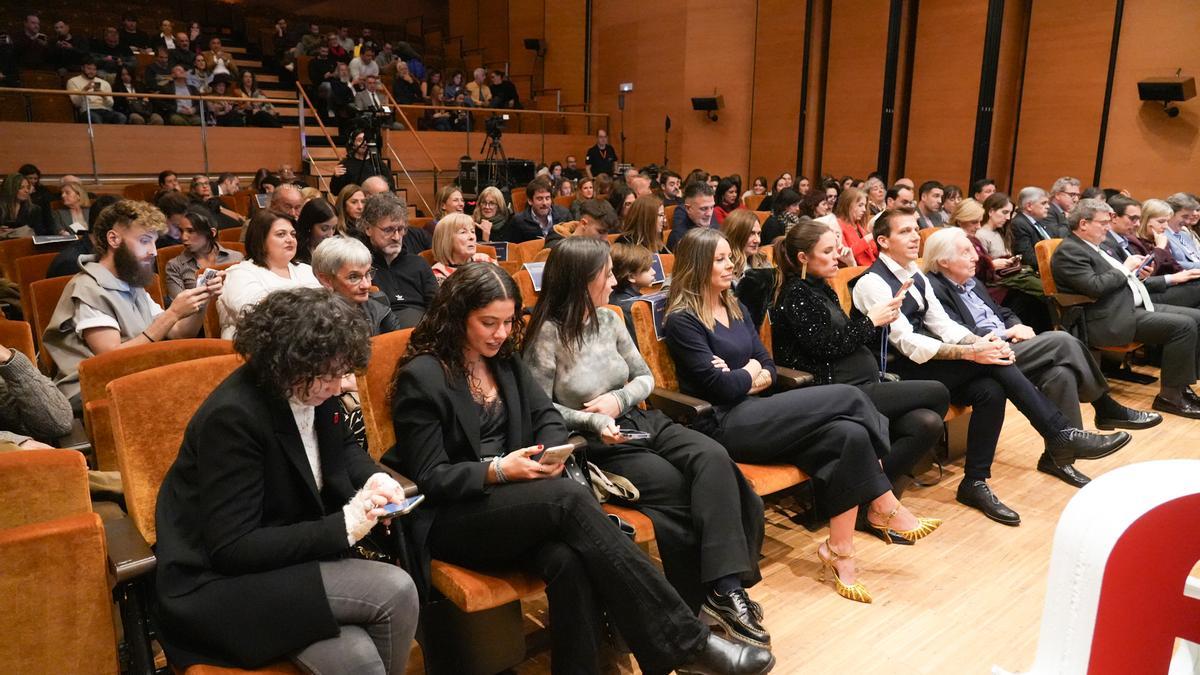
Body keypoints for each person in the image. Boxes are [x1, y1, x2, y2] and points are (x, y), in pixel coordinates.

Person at [383, 263, 774, 674]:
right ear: (457, 316)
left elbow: (546, 416)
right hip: (457, 513)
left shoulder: (505, 360)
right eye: (488, 323)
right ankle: (689, 645)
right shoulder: (423, 376)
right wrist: (500, 470)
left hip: (521, 500)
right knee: (571, 500)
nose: (500, 333)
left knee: (568, 558)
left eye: (507, 322)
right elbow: (430, 476)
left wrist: (552, 452)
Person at [662, 227, 941, 603]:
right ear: (697, 266)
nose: (732, 265)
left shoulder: (734, 306)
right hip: (725, 424)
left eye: (730, 256)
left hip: (758, 410)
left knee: (849, 435)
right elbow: (721, 390)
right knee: (849, 397)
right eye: (721, 259)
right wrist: (748, 375)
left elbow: (768, 366)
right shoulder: (683, 320)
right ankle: (884, 502)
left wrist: (744, 374)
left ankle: (840, 552)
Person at [154, 287, 418, 672]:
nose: (339, 385)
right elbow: (232, 547)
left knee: (357, 658)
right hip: (220, 582)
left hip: (287, 557)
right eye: (330, 375)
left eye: (342, 373)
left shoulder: (312, 390)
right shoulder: (233, 418)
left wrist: (376, 480)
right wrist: (344, 526)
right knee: (395, 590)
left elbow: (344, 448)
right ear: (288, 363)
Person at [522, 237, 769, 642]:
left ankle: (724, 590)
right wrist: (591, 419)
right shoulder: (549, 335)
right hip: (602, 442)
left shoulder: (611, 318)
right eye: (605, 273)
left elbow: (645, 378)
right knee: (679, 489)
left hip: (642, 418)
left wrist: (618, 400)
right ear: (582, 280)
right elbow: (542, 408)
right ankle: (707, 598)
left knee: (713, 458)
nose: (612, 280)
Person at [852, 207, 1130, 523]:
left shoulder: (914, 275)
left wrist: (978, 343)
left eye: (916, 229)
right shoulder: (871, 282)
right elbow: (906, 343)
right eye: (905, 231)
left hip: (927, 362)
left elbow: (944, 326)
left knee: (991, 387)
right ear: (883, 241)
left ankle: (975, 480)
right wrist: (972, 353)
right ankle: (1059, 433)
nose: (915, 235)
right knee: (994, 364)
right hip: (897, 372)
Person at [922, 227, 1159, 486]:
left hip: (1007, 346)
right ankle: (1104, 407)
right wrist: (1006, 333)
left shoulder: (971, 282)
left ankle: (1059, 457)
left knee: (1060, 374)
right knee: (1062, 341)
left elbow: (1001, 310)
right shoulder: (934, 288)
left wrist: (1016, 326)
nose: (975, 257)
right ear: (944, 261)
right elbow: (954, 331)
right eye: (965, 251)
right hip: (981, 355)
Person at [769, 217, 949, 514]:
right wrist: (870, 321)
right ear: (803, 258)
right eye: (827, 251)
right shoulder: (795, 294)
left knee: (926, 422)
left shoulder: (820, 287)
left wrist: (883, 318)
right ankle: (872, 501)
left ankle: (868, 500)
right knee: (938, 392)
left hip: (861, 383)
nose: (837, 255)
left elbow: (847, 336)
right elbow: (825, 346)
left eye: (835, 248)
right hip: (836, 391)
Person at [43, 200, 223, 404]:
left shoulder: (131, 282)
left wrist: (202, 299)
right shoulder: (87, 289)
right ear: (114, 239)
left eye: (154, 242)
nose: (154, 251)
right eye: (145, 241)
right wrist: (172, 313)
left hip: (133, 380)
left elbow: (179, 332)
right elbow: (111, 361)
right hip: (94, 395)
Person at [1051, 198, 1200, 420]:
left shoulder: (1101, 248)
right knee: (1183, 326)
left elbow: (1124, 279)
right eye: (1102, 223)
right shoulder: (1070, 251)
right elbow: (1094, 287)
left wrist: (1142, 274)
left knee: (1197, 317)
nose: (1107, 227)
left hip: (1129, 305)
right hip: (1106, 317)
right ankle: (1170, 397)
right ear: (1083, 224)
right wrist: (1125, 269)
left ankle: (1182, 386)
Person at [217, 210, 320, 339]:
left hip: (307, 340)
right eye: (281, 234)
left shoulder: (305, 269)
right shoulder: (239, 273)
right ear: (261, 239)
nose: (290, 239)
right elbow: (257, 314)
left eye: (293, 234)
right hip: (255, 347)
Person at [359, 192, 435, 328]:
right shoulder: (360, 267)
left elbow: (437, 307)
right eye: (388, 230)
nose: (396, 237)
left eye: (401, 229)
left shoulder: (419, 263)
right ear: (368, 229)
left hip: (422, 332)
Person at [1109, 197, 1200, 308]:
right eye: (1161, 221)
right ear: (1145, 220)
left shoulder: (1157, 239)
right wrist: (1160, 248)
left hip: (1165, 287)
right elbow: (1147, 272)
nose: (1166, 226)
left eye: (1167, 221)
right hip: (1149, 292)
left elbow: (1175, 267)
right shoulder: (1133, 241)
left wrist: (1188, 275)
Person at [312, 237, 399, 337]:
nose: (366, 285)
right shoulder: (310, 319)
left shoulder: (380, 308)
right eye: (353, 277)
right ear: (326, 280)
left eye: (367, 274)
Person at [164, 207, 242, 303]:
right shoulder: (175, 266)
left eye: (191, 231)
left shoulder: (236, 258)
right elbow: (179, 308)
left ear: (211, 233)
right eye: (181, 231)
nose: (183, 237)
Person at [724, 209, 773, 329]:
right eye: (751, 234)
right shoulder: (723, 266)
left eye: (759, 234)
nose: (757, 240)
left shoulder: (763, 262)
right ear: (736, 234)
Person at [429, 213, 494, 284]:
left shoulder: (485, 260)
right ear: (446, 239)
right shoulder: (438, 273)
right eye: (463, 232)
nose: (472, 237)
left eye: (472, 231)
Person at [503, 179, 572, 242]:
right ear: (530, 201)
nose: (544, 203)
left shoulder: (564, 214)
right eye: (540, 199)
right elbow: (513, 248)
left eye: (547, 198)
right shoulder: (518, 221)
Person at [66, 58, 126, 125]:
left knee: (121, 117)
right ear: (82, 68)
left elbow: (111, 104)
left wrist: (103, 96)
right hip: (87, 110)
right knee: (95, 118)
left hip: (105, 109)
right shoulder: (73, 81)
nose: (91, 72)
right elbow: (76, 103)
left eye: (94, 69)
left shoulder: (104, 83)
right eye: (89, 68)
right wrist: (85, 90)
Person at [1009, 187, 1056, 272]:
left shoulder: (1040, 220)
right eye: (1043, 203)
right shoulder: (1019, 224)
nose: (1048, 206)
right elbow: (1027, 258)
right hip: (1038, 271)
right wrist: (1058, 265)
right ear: (1029, 206)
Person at [330, 130, 388, 194]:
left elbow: (390, 188)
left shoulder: (378, 163)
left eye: (366, 140)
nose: (364, 143)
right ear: (353, 144)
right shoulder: (345, 164)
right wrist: (336, 178)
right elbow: (335, 192)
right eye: (360, 140)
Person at [667, 183, 717, 250]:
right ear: (688, 209)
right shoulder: (679, 237)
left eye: (712, 207)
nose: (709, 214)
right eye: (704, 209)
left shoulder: (715, 226)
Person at [835, 187, 876, 266]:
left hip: (870, 267)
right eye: (860, 205)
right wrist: (867, 238)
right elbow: (845, 255)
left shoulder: (859, 225)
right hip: (855, 271)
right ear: (848, 205)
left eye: (864, 205)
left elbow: (873, 251)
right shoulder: (837, 225)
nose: (864, 209)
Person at [294, 198, 339, 265]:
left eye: (333, 228)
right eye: (324, 228)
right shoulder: (295, 252)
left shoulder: (336, 250)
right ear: (309, 225)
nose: (330, 235)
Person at [0, 173, 44, 238]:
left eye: (28, 187)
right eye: (21, 187)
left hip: (25, 244)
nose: (26, 191)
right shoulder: (1, 207)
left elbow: (40, 233)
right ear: (11, 189)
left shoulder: (34, 209)